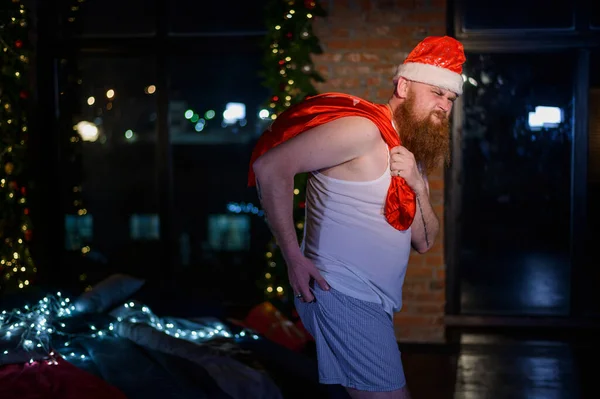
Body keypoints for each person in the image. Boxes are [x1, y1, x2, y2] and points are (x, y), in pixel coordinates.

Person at [248, 36, 466, 399]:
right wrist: (292, 258)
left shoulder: (412, 155)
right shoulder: (362, 130)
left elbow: (424, 241)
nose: (444, 105)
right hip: (343, 294)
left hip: (373, 302)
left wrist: (415, 183)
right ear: (404, 84)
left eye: (451, 98)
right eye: (436, 92)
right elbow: (270, 168)